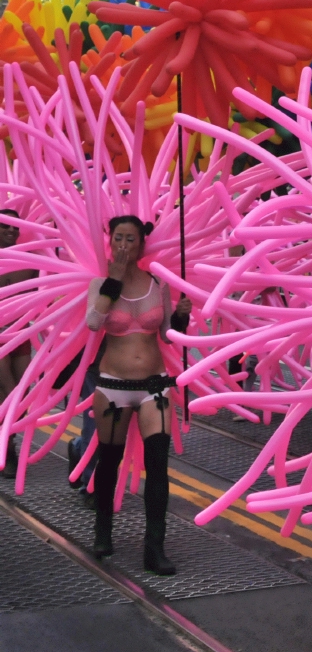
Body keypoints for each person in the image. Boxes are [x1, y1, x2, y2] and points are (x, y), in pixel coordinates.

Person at [86, 215, 192, 574]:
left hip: (154, 386)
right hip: (113, 386)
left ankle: (155, 548)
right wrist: (114, 280)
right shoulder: (100, 284)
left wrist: (180, 319)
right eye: (118, 238)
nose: (124, 246)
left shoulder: (157, 284)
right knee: (109, 461)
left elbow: (166, 336)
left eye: (131, 239)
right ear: (110, 240)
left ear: (142, 244)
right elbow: (94, 323)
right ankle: (103, 532)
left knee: (158, 465)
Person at [0, 209, 38, 477]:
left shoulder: (29, 260)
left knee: (22, 392)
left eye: (15, 227)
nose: (12, 231)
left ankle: (8, 441)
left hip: (21, 334)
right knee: (7, 389)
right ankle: (8, 448)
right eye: (5, 227)